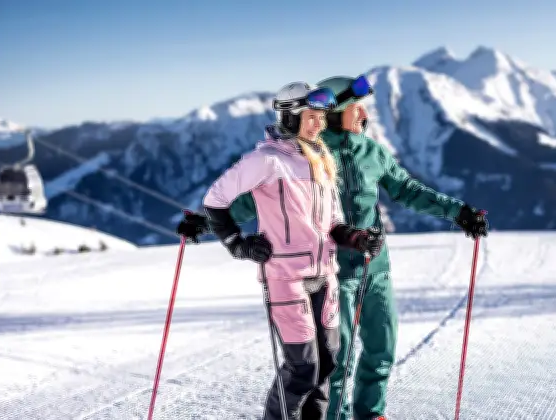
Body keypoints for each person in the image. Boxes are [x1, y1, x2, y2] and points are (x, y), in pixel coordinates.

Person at [177, 74, 489, 420]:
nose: (364, 116)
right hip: (333, 271)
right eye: (357, 108)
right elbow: (255, 200)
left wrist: (458, 212)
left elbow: (408, 190)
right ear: (337, 112)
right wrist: (206, 223)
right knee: (333, 363)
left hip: (375, 266)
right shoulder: (305, 153)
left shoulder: (370, 151)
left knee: (381, 348)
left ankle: (371, 413)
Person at [199, 81, 384, 420]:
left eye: (322, 118)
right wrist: (236, 243)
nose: (319, 125)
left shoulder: (321, 159)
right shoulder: (267, 160)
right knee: (303, 368)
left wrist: (357, 238)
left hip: (324, 275)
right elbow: (215, 199)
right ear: (289, 117)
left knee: (327, 363)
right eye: (311, 117)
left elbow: (333, 222)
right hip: (286, 277)